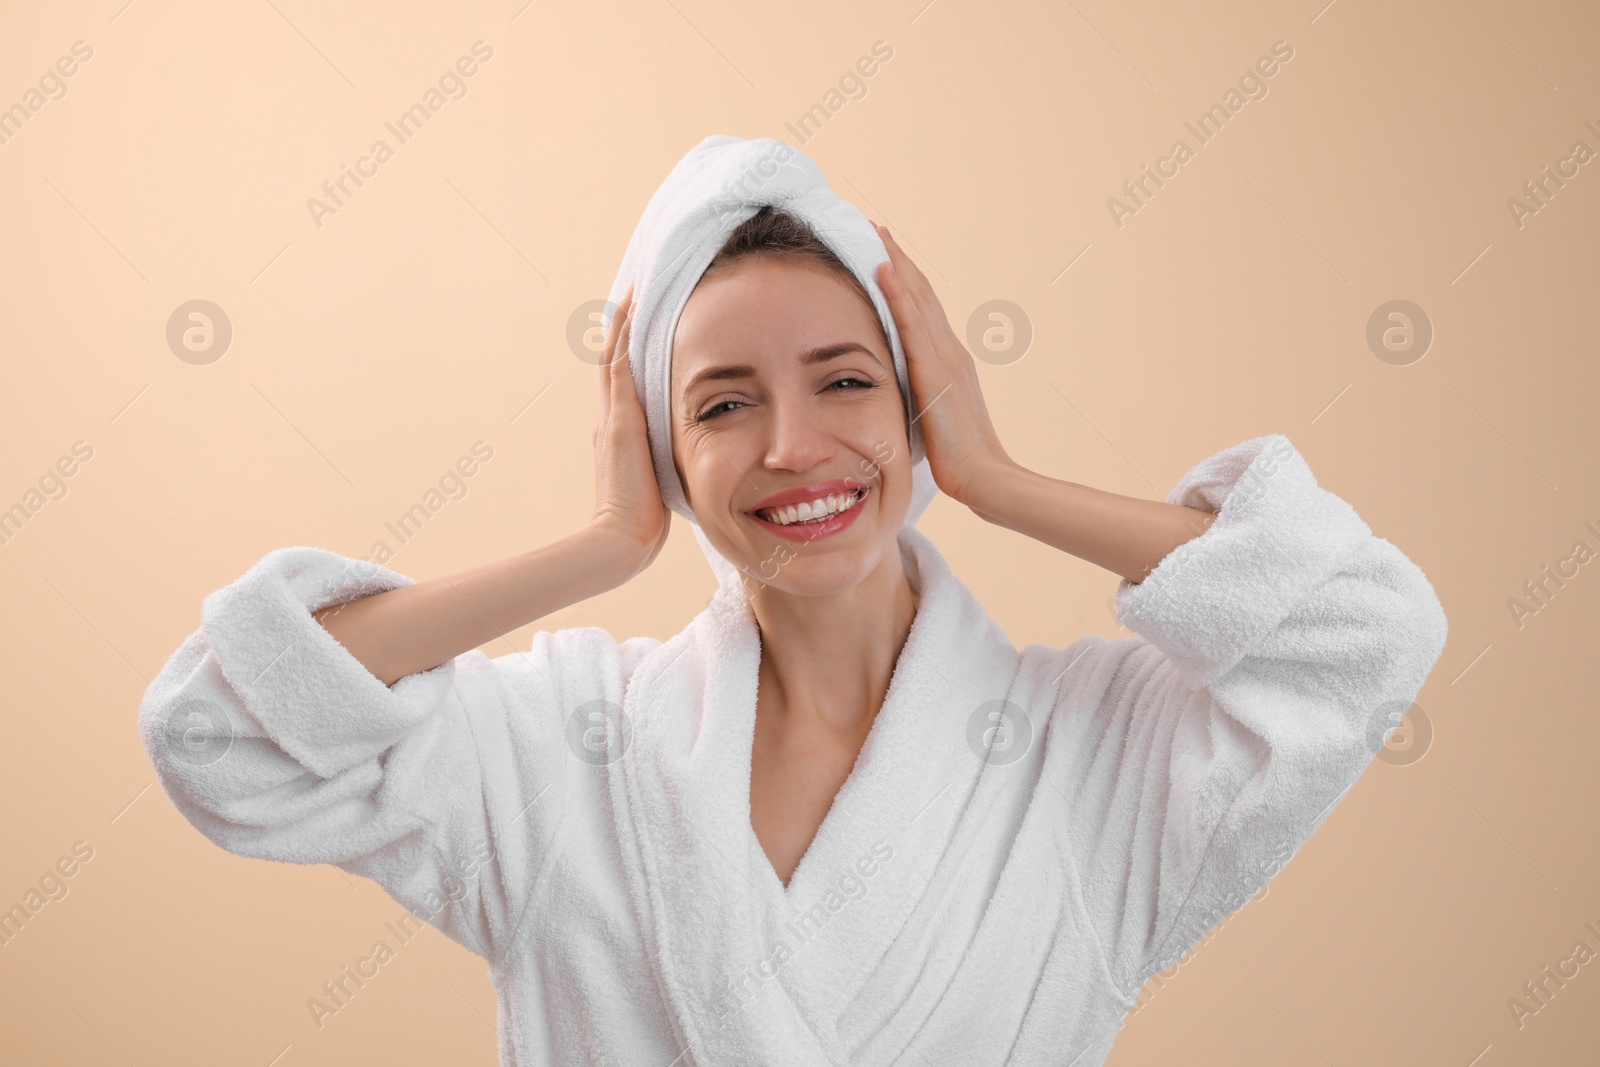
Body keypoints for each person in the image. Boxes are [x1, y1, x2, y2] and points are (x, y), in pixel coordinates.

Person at [139, 136, 1449, 1066]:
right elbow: (218, 734)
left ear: (918, 400)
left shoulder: (1092, 757)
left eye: (845, 381)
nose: (791, 446)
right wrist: (603, 546)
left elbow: (1363, 636)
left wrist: (998, 478)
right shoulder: (562, 747)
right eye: (720, 405)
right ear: (660, 445)